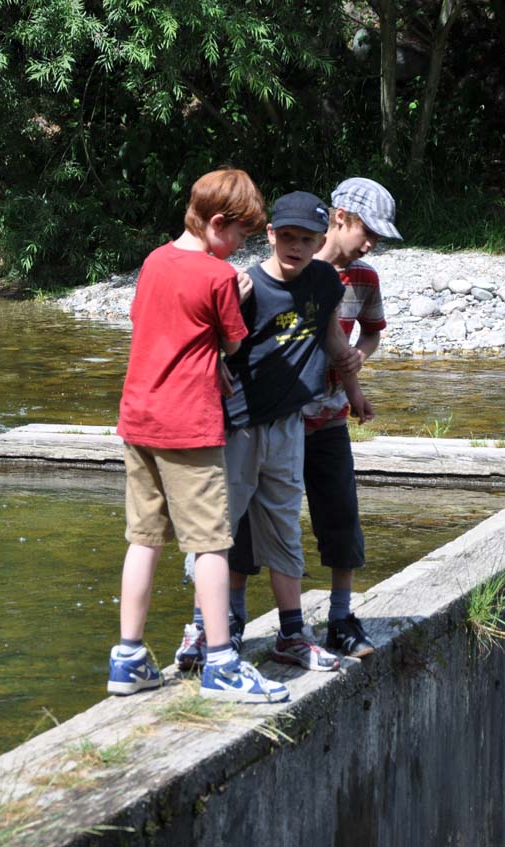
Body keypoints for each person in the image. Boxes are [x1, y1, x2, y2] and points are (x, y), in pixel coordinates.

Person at [108, 168, 289, 704]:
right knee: (212, 543)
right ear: (216, 223)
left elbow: (152, 324)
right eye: (239, 236)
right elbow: (233, 344)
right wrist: (237, 291)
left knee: (144, 539)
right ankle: (223, 664)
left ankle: (128, 658)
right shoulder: (218, 276)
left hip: (139, 419)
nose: (241, 248)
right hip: (189, 425)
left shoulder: (153, 261)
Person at [178, 189, 374, 673]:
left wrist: (353, 386)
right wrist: (211, 362)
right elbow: (204, 340)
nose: (295, 246)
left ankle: (292, 634)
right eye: (286, 236)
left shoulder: (325, 281)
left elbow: (329, 333)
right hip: (239, 425)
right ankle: (202, 629)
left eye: (306, 239)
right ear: (269, 234)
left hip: (289, 425)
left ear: (320, 240)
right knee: (219, 527)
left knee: (286, 529)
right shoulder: (245, 285)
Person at [219, 178, 400, 661]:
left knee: (339, 514)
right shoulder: (278, 274)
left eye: (377, 236)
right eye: (367, 231)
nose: (371, 243)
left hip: (326, 416)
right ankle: (232, 618)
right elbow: (230, 339)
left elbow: (348, 340)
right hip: (269, 419)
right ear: (339, 218)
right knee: (246, 522)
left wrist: (355, 383)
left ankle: (338, 616)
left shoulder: (352, 279)